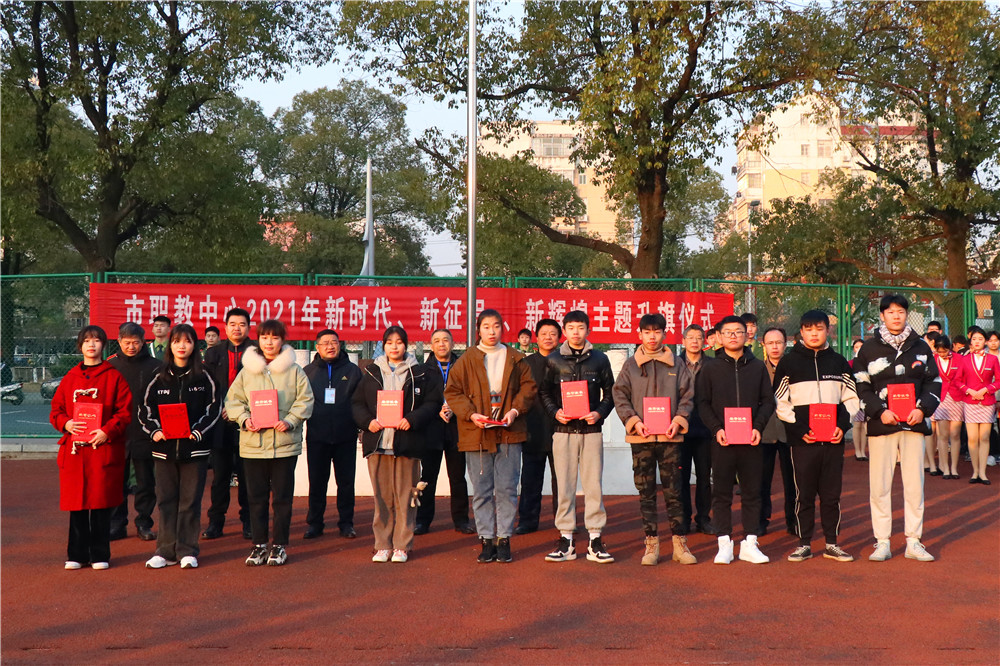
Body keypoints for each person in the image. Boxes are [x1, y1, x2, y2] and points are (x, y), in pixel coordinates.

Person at [444, 309, 536, 563]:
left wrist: (515, 410)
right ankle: (486, 539)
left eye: (496, 326)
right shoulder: (467, 359)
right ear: (479, 330)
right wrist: (471, 414)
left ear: (502, 329)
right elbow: (453, 391)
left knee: (507, 488)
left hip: (509, 432)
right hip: (477, 433)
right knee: (482, 489)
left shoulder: (516, 357)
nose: (492, 331)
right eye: (486, 327)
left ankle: (504, 538)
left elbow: (529, 388)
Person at [854, 294, 940, 562]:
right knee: (879, 486)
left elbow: (934, 382)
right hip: (882, 424)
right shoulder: (869, 349)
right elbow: (861, 385)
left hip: (913, 424)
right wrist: (880, 411)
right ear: (882, 315)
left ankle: (914, 541)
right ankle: (882, 541)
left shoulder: (921, 346)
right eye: (890, 312)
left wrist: (922, 409)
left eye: (900, 311)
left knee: (915, 485)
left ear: (906, 314)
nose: (895, 316)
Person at [774, 310, 861, 563]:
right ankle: (803, 543)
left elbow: (851, 398)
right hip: (803, 442)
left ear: (827, 331)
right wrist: (801, 430)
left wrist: (842, 426)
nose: (814, 333)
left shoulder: (839, 362)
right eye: (809, 329)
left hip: (832, 441)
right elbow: (780, 402)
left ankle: (832, 543)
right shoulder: (789, 363)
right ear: (801, 332)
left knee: (831, 495)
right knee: (804, 494)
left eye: (819, 328)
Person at [226, 319, 314, 567]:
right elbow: (233, 402)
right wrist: (244, 419)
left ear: (282, 341)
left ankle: (279, 545)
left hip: (284, 445)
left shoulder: (295, 371)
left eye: (275, 338)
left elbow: (305, 400)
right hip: (253, 446)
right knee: (256, 498)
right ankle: (259, 545)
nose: (269, 342)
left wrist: (290, 421)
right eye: (265, 337)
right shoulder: (247, 371)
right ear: (258, 340)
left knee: (282, 499)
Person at [612, 313, 696, 566]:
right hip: (641, 438)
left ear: (664, 334)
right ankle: (651, 544)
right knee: (646, 491)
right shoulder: (630, 365)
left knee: (674, 491)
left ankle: (680, 544)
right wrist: (633, 421)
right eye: (647, 332)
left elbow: (688, 395)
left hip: (671, 438)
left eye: (657, 332)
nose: (652, 337)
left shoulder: (677, 364)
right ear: (639, 334)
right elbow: (620, 395)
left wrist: (678, 420)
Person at [352, 326, 441, 564]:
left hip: (407, 444)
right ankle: (382, 545)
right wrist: (368, 422)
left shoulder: (419, 373)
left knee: (406, 497)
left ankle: (402, 545)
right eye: (389, 342)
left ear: (406, 345)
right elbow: (357, 404)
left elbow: (432, 403)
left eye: (399, 342)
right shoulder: (371, 372)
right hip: (379, 444)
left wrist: (412, 419)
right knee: (382, 498)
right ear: (383, 345)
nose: (394, 346)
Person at [49, 325, 132, 570]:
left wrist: (107, 430)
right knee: (76, 505)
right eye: (87, 341)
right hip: (76, 452)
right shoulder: (70, 378)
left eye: (96, 340)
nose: (92, 345)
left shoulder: (114, 377)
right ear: (80, 346)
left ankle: (99, 554)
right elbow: (56, 411)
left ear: (103, 345)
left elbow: (124, 412)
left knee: (100, 504)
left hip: (102, 449)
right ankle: (76, 554)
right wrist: (66, 423)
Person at [138, 324, 220, 569]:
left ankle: (187, 550)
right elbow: (144, 408)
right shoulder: (157, 375)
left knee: (189, 501)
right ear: (170, 345)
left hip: (195, 450)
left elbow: (214, 408)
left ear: (195, 345)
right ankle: (164, 551)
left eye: (187, 341)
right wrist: (155, 431)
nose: (181, 346)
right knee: (166, 500)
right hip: (164, 450)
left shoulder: (205, 376)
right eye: (176, 341)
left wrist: (198, 431)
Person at [696, 315, 775, 565]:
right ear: (719, 336)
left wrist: (758, 427)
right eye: (728, 332)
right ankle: (724, 543)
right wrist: (716, 428)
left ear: (746, 335)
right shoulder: (710, 368)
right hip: (723, 441)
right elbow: (702, 403)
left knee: (752, 492)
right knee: (721, 493)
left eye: (738, 331)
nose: (733, 336)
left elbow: (768, 401)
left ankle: (750, 543)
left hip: (751, 440)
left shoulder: (758, 367)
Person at [539, 310, 616, 564]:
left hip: (591, 431)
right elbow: (544, 392)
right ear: (564, 331)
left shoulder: (600, 359)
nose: (576, 332)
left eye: (580, 327)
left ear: (588, 330)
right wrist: (555, 412)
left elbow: (611, 393)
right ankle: (566, 541)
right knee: (564, 486)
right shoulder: (553, 360)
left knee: (594, 486)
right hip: (563, 432)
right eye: (571, 328)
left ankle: (595, 539)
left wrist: (599, 413)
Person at [302, 329, 362, 539]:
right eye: (325, 343)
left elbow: (360, 402)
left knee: (346, 483)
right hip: (317, 435)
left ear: (340, 345)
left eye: (334, 342)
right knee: (317, 482)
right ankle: (315, 523)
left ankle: (346, 523)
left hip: (346, 436)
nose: (330, 346)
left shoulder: (353, 371)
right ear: (317, 347)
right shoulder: (308, 372)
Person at [415, 329, 474, 535]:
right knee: (427, 477)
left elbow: (471, 395)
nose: (441, 344)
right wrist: (435, 410)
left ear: (453, 343)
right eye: (437, 341)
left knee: (457, 477)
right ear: (431, 346)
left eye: (445, 340)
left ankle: (461, 520)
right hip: (431, 430)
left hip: (457, 429)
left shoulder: (463, 367)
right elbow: (418, 401)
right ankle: (422, 521)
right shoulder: (422, 370)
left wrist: (456, 409)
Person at [202, 308, 254, 540]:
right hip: (220, 423)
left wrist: (239, 410)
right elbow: (208, 386)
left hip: (248, 422)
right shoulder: (213, 353)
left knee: (247, 476)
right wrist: (221, 408)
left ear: (248, 328)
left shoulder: (256, 352)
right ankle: (216, 522)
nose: (237, 328)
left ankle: (249, 521)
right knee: (220, 476)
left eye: (242, 324)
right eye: (232, 324)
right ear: (225, 327)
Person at [107, 322, 161, 542]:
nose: (131, 347)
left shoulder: (156, 367)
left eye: (136, 343)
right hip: (117, 432)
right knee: (116, 482)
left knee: (145, 482)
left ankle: (144, 523)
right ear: (119, 341)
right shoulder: (110, 366)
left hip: (145, 432)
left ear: (143, 342)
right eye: (127, 342)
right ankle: (116, 525)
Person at [516, 319, 561, 535]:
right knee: (530, 478)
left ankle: (563, 520)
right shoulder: (525, 364)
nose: (548, 338)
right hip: (533, 427)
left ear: (559, 338)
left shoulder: (566, 362)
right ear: (536, 337)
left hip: (561, 427)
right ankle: (527, 520)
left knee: (562, 480)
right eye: (544, 333)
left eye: (553, 334)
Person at [678, 325, 715, 535]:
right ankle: (683, 519)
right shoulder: (674, 363)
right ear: (683, 341)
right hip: (680, 429)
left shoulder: (712, 365)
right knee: (681, 478)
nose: (694, 341)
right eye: (690, 337)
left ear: (704, 341)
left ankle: (703, 518)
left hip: (705, 429)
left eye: (699, 337)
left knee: (704, 477)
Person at [759, 327, 795, 536]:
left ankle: (793, 520)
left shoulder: (794, 368)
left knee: (792, 480)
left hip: (790, 432)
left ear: (785, 344)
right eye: (770, 343)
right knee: (762, 479)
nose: (775, 347)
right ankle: (761, 520)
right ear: (763, 345)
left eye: (779, 342)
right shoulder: (757, 369)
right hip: (763, 432)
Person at [955, 327, 1000, 485]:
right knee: (973, 438)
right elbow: (957, 380)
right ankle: (975, 472)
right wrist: (970, 391)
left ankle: (983, 472)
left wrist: (986, 390)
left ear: (985, 342)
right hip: (970, 401)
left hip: (987, 401)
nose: (977, 342)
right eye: (974, 339)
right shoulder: (965, 359)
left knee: (984, 437)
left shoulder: (992, 359)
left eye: (980, 339)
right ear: (970, 341)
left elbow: (998, 381)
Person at [931, 336, 962, 479]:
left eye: (944, 351)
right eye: (939, 352)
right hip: (941, 399)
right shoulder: (933, 359)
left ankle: (954, 468)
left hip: (957, 398)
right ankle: (945, 468)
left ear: (949, 348)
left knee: (955, 435)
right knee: (942, 435)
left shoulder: (959, 358)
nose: (942, 354)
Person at [849, 338, 869, 461]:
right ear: (853, 349)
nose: (859, 349)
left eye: (861, 347)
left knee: (865, 425)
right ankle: (858, 451)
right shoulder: (850, 364)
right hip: (855, 397)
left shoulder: (869, 362)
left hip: (866, 397)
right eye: (856, 347)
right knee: (857, 424)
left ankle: (863, 451)